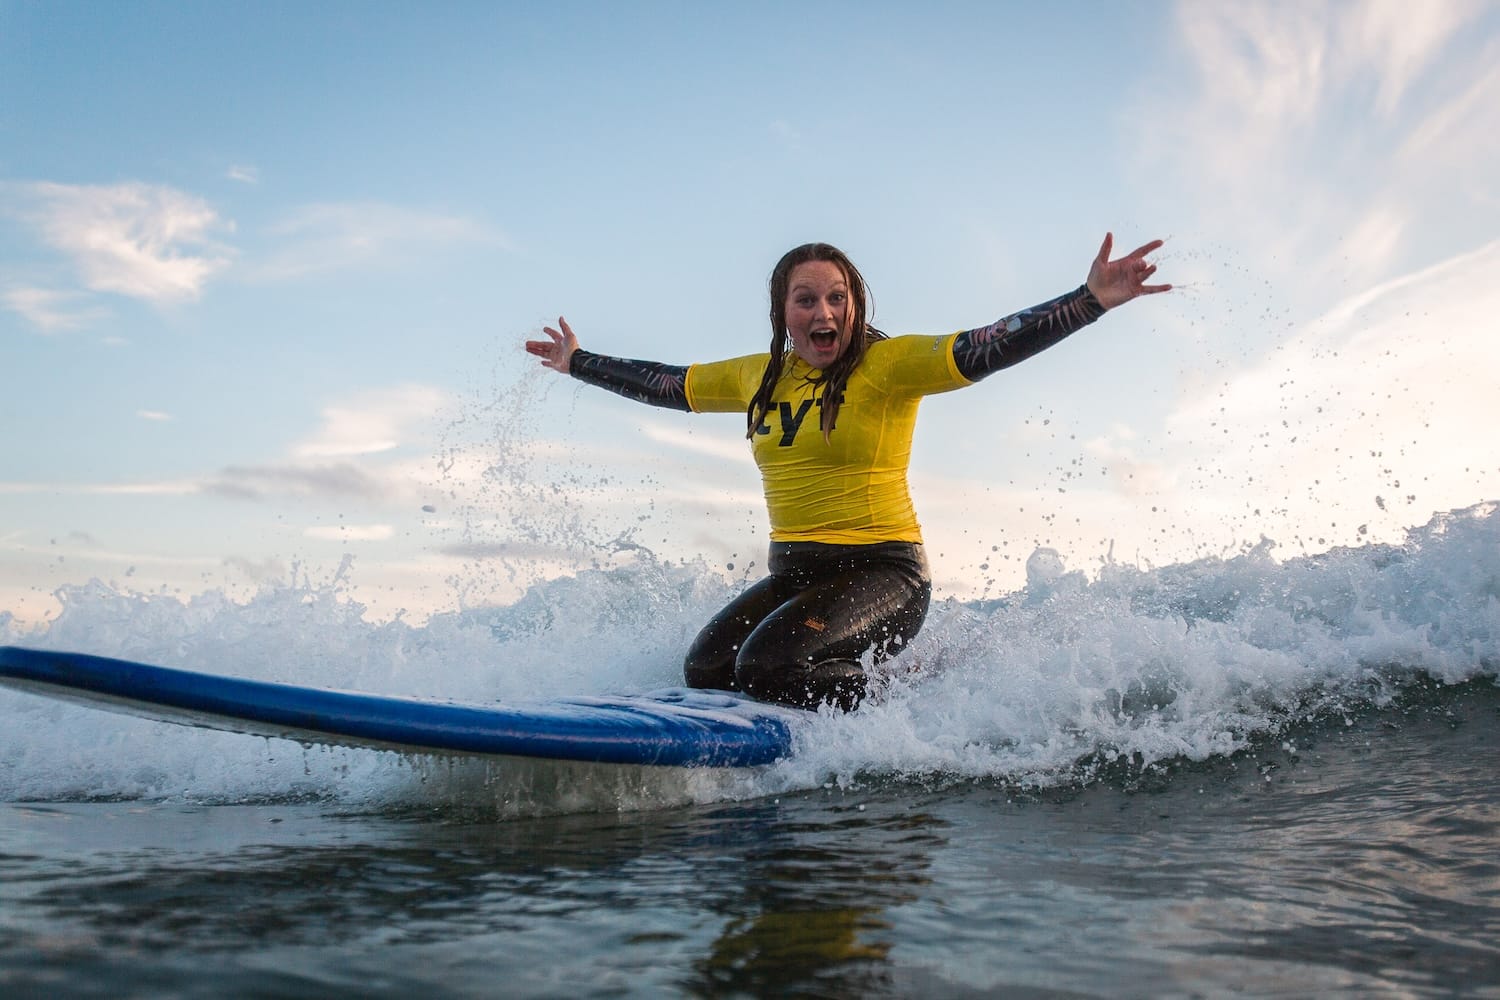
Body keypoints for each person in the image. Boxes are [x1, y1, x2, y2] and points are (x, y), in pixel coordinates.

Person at [525, 234, 1169, 711]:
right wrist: (578, 362)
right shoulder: (759, 375)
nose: (823, 314)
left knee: (772, 669)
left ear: (855, 306)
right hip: (798, 576)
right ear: (783, 311)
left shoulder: (888, 365)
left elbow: (989, 344)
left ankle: (900, 694)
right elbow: (665, 384)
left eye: (838, 299)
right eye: (806, 301)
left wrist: (1089, 301)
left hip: (883, 574)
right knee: (708, 669)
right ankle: (834, 685)